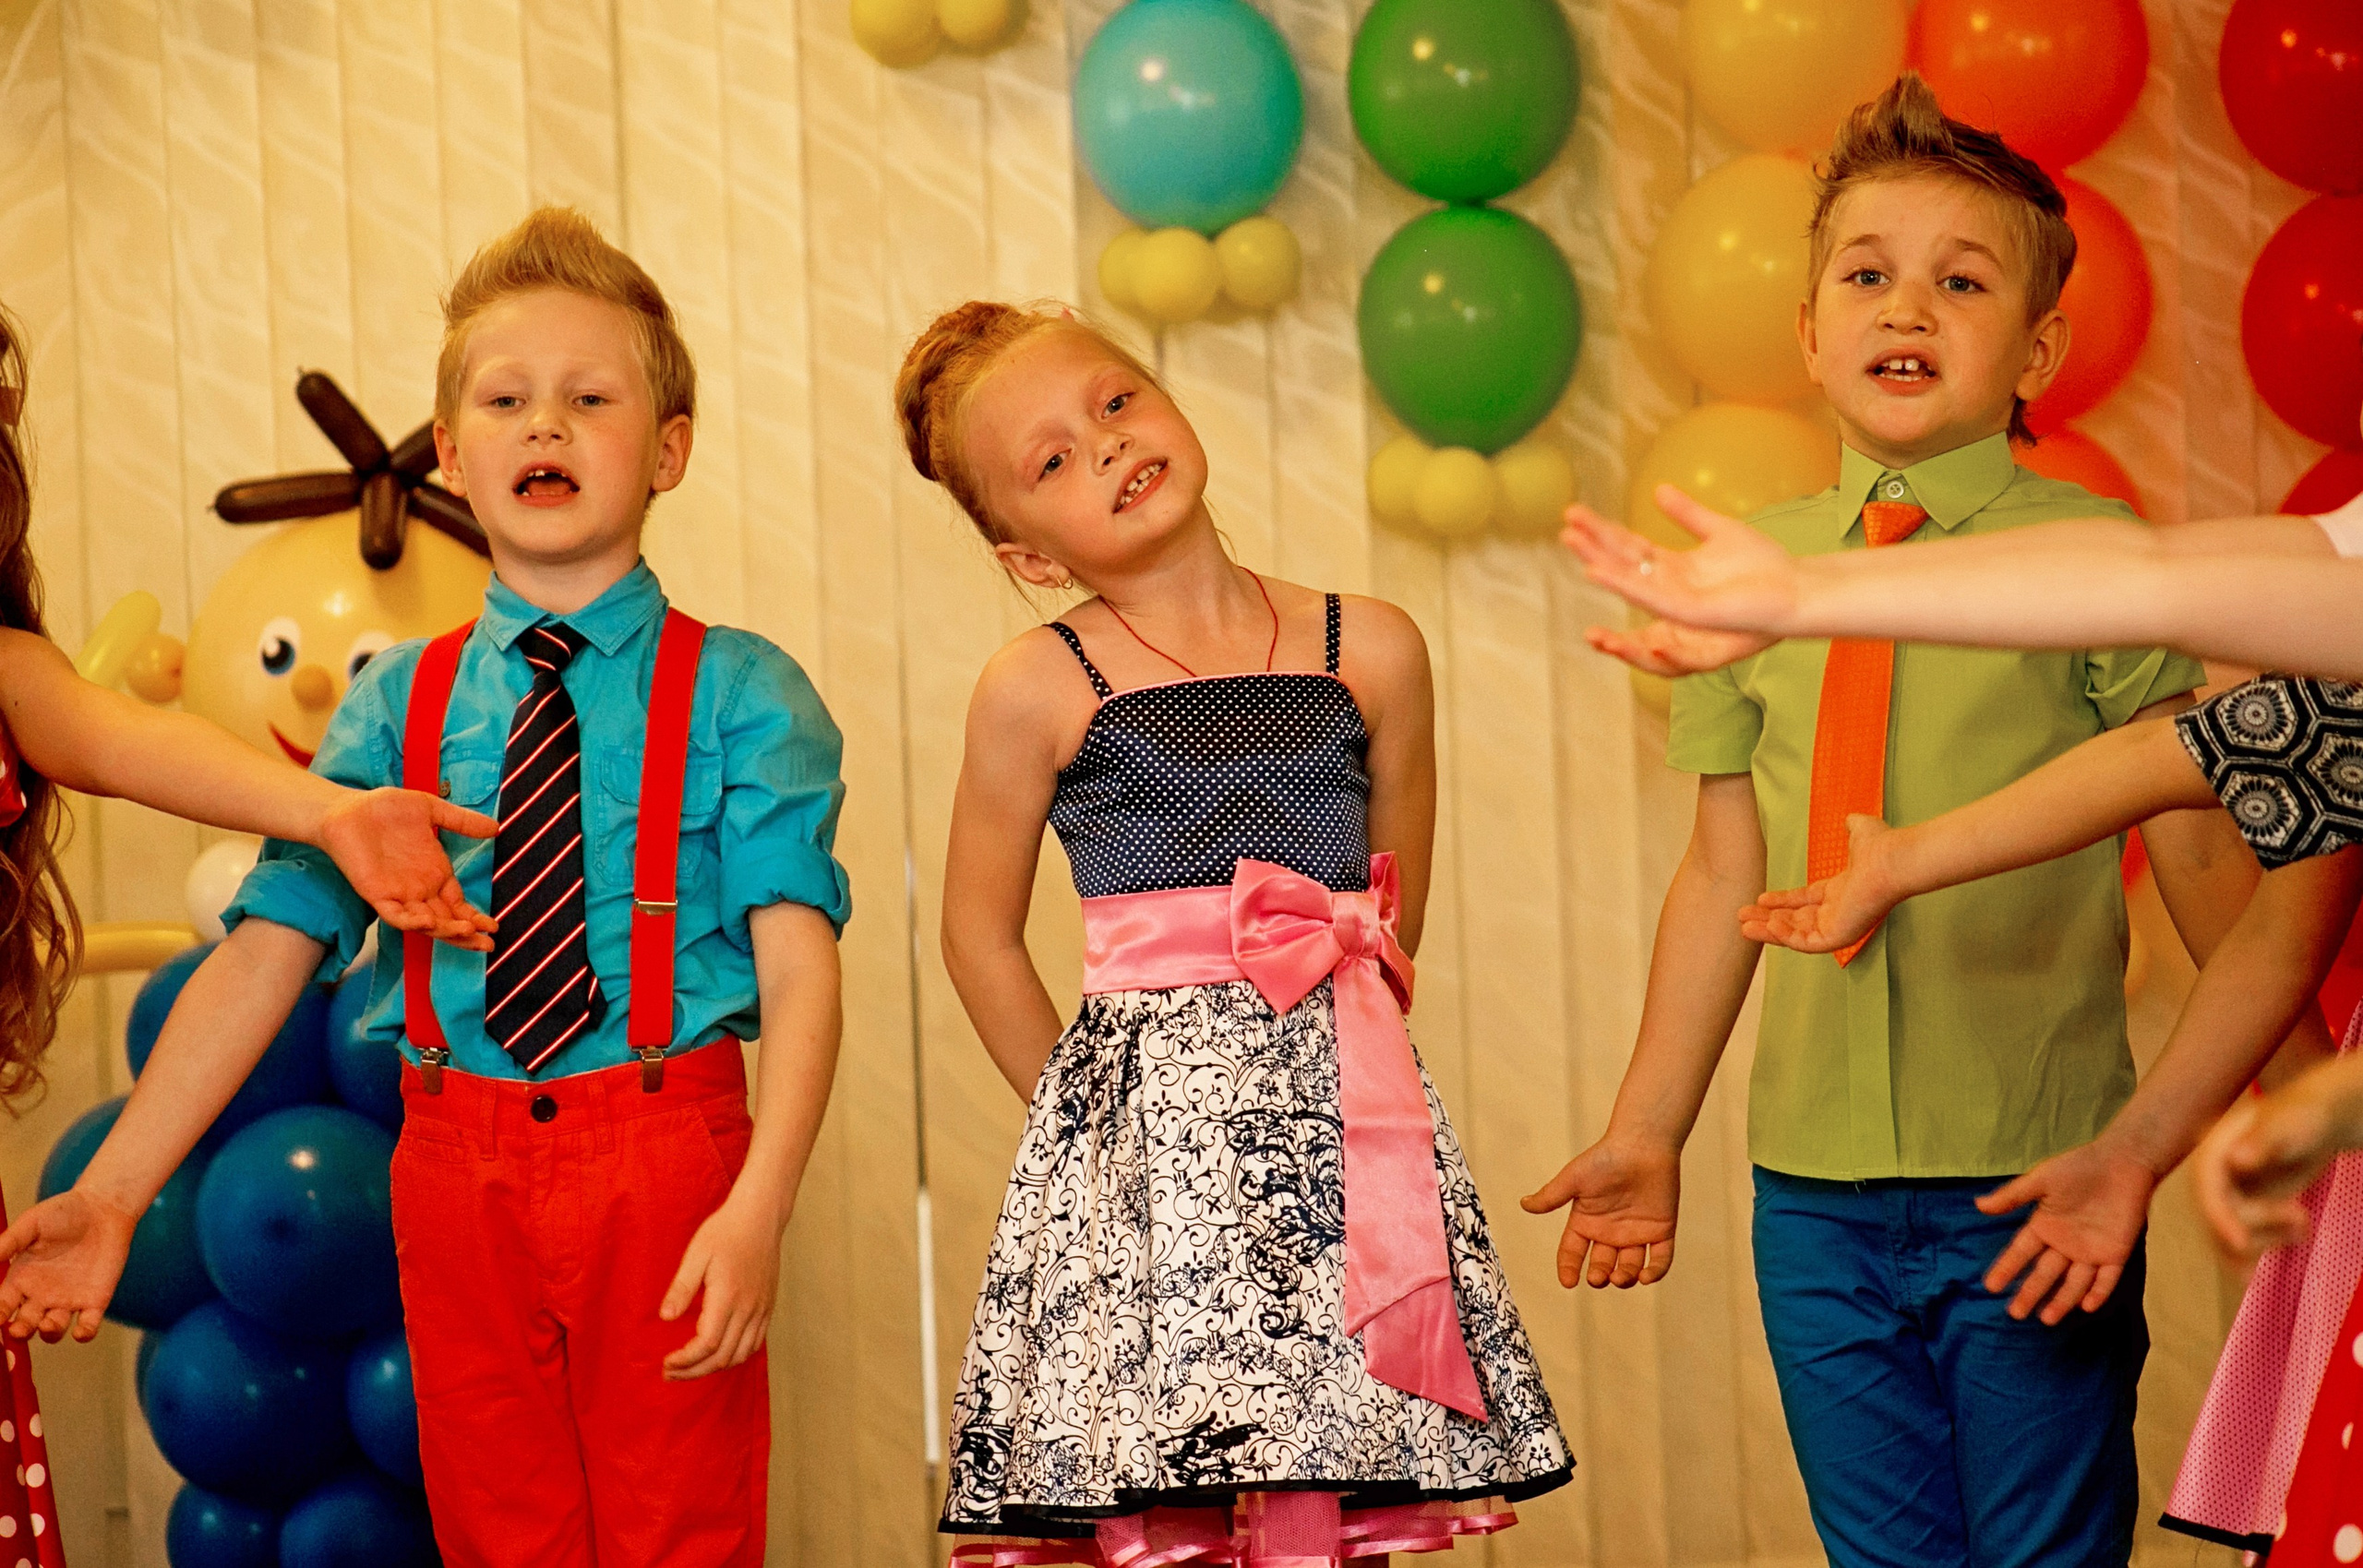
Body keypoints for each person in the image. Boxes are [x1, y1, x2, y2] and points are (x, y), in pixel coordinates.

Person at [0, 208, 852, 1568]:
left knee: (677, 1533)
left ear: (670, 448)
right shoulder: (393, 708)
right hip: (453, 1165)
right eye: (506, 401)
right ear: (451, 453)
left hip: (666, 1152)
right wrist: (110, 1195)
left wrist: (757, 1206)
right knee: (494, 1531)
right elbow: (264, 959)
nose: (546, 428)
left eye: (592, 398)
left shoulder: (748, 692)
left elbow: (804, 969)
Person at [1521, 74, 2255, 1568]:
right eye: (1867, 275)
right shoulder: (1748, 572)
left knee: (2045, 1555)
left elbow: (2193, 837)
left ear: (2038, 347)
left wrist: (2287, 1090)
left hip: (2036, 1173)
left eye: (1961, 280)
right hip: (1814, 1198)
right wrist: (1650, 1127)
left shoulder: (2101, 558)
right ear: (1808, 332)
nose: (1906, 307)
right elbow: (1726, 859)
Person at [899, 299, 1571, 1567]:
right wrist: (1088, 1133)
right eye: (1050, 460)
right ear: (1027, 553)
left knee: (1339, 1473)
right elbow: (976, 936)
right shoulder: (1037, 684)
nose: (1104, 446)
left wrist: (1329, 1059)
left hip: (1339, 1135)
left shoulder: (1370, 646)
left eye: (1114, 402)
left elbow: (1386, 901)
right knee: (1186, 1502)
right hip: (1151, 1160)